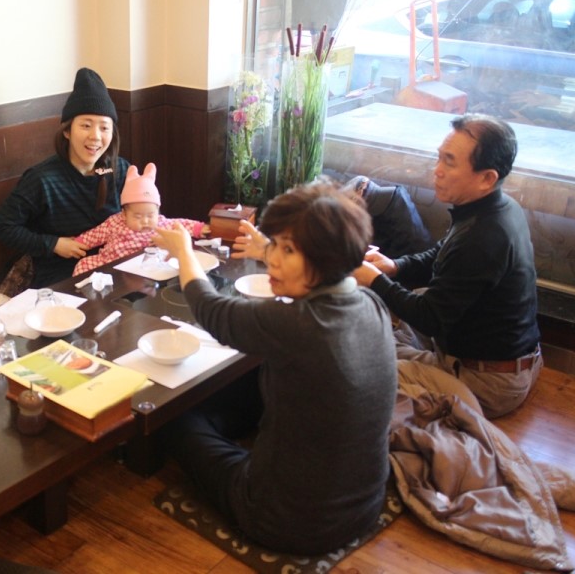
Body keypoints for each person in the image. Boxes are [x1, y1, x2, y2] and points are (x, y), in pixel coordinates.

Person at [152, 179, 396, 556]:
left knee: (173, 419)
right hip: (363, 507)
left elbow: (212, 311)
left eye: (288, 250)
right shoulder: (370, 303)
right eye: (277, 245)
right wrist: (267, 249)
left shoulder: (299, 323)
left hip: (284, 521)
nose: (275, 259)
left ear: (325, 259)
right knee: (253, 382)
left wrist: (184, 250)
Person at [353, 114, 542, 419]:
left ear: (487, 178)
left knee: (358, 362)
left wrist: (374, 279)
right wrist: (393, 266)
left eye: (450, 163)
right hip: (511, 361)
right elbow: (440, 255)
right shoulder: (497, 208)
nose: (437, 170)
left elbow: (430, 319)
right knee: (389, 318)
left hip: (488, 382)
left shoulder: (482, 237)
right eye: (439, 158)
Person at [0, 67, 129, 289]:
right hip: (61, 275)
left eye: (104, 127)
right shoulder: (42, 179)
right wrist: (53, 244)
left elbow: (141, 215)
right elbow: (2, 227)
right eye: (86, 125)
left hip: (115, 265)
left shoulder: (120, 169)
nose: (95, 136)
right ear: (67, 131)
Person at [72, 162, 210, 276]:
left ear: (157, 211)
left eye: (150, 215)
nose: (145, 221)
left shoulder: (161, 224)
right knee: (83, 264)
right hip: (110, 265)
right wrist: (78, 242)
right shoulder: (115, 222)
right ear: (124, 214)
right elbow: (96, 233)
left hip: (146, 268)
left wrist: (199, 228)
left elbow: (180, 224)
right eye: (137, 216)